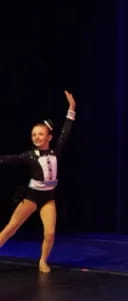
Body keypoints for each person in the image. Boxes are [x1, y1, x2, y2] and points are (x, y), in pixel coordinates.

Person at [0, 90, 76, 273]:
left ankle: (43, 261)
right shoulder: (29, 156)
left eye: (40, 134)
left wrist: (72, 108)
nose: (36, 137)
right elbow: (10, 159)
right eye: (34, 135)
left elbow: (66, 131)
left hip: (48, 197)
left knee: (49, 233)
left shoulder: (55, 151)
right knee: (11, 228)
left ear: (49, 137)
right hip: (31, 197)